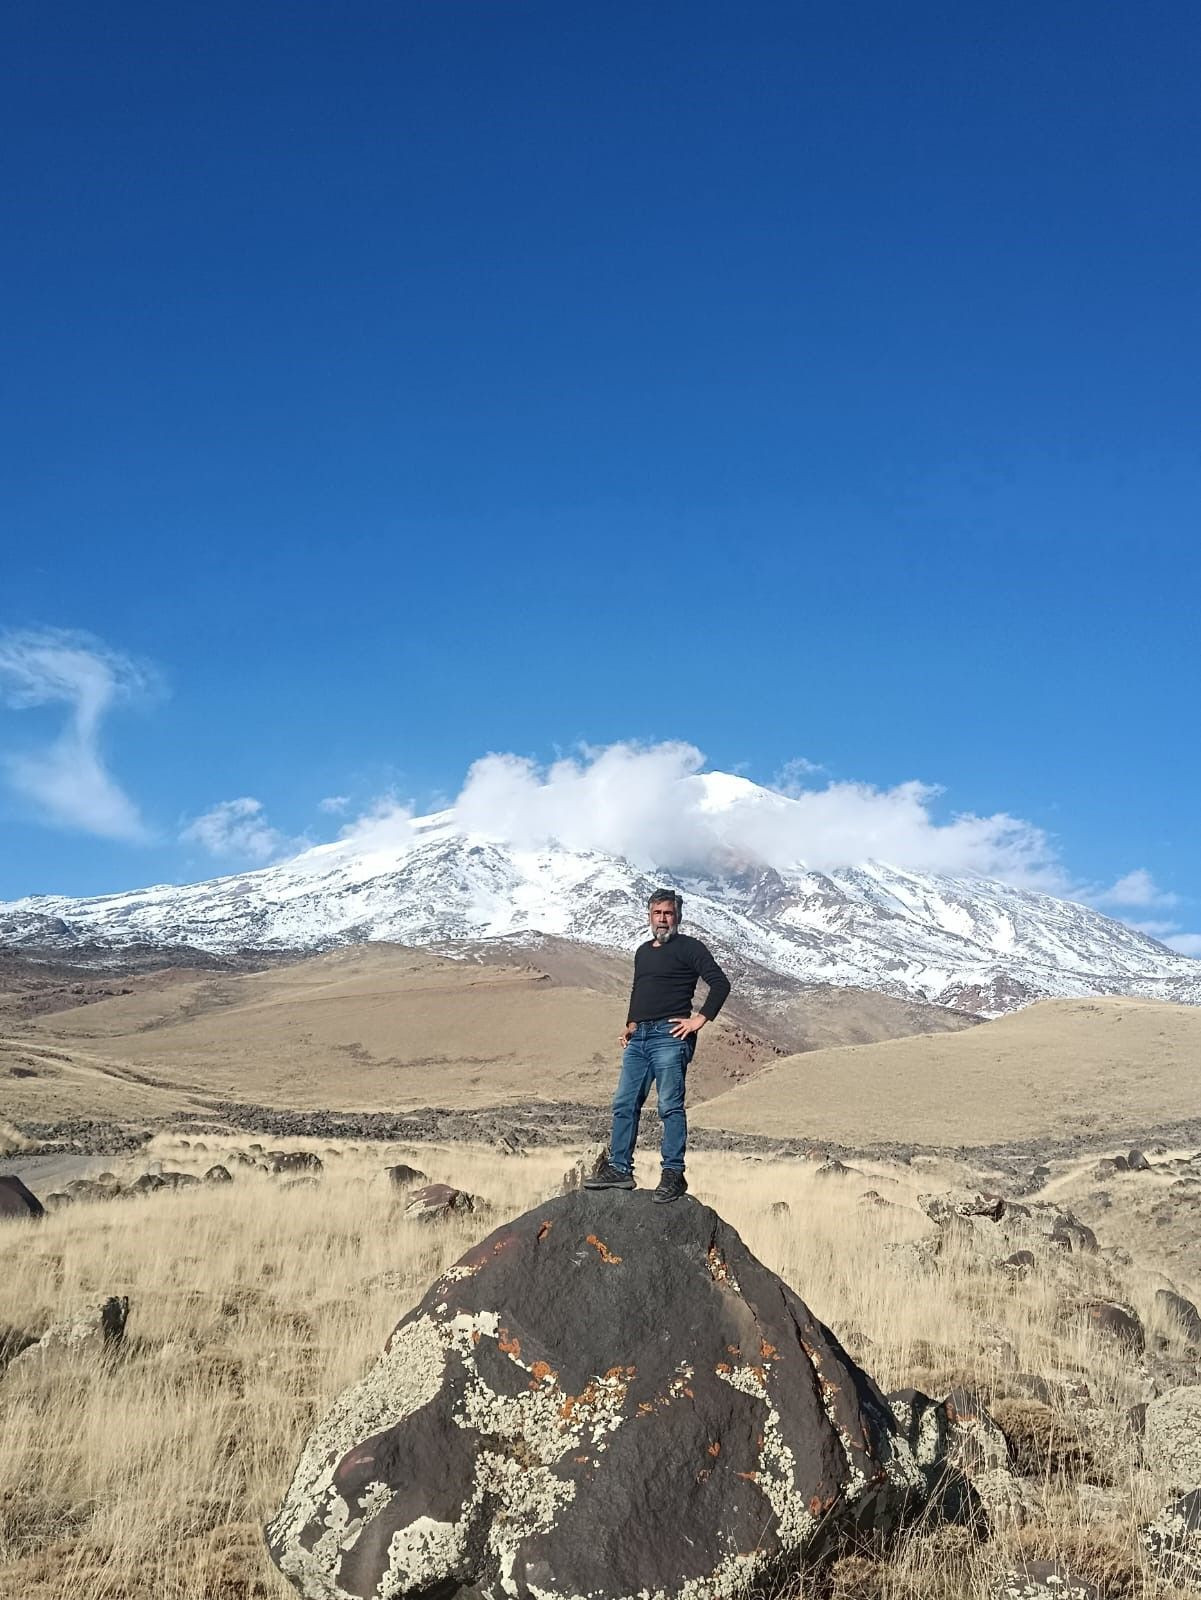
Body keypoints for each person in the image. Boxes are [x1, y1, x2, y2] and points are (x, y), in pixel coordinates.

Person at [585, 888, 731, 1203]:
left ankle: (673, 1174)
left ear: (677, 915)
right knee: (624, 1103)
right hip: (639, 1038)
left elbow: (721, 983)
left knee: (669, 1106)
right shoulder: (642, 952)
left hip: (671, 1034)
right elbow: (641, 988)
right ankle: (620, 1169)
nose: (662, 919)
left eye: (667, 913)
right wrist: (631, 1024)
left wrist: (698, 1020)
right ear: (649, 916)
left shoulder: (690, 948)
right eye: (657, 913)